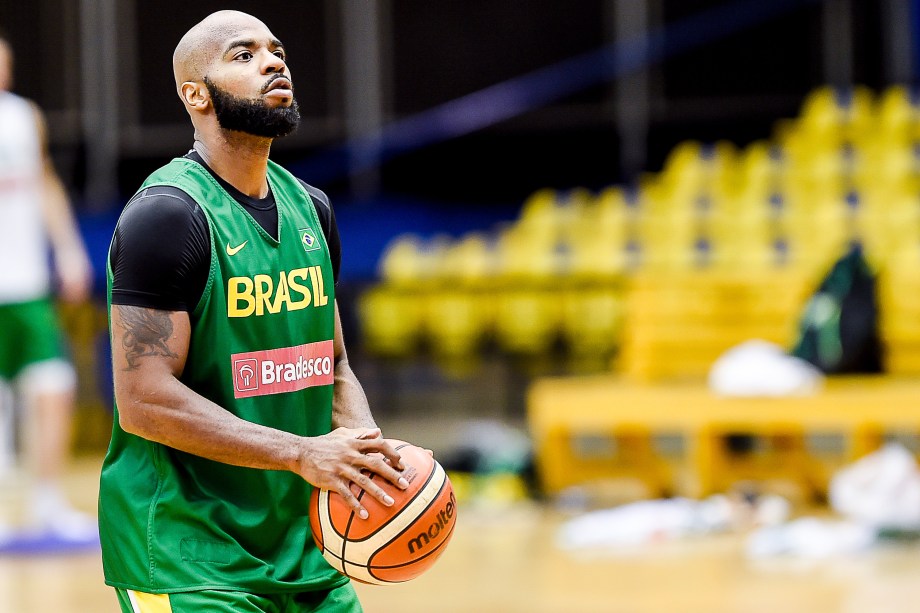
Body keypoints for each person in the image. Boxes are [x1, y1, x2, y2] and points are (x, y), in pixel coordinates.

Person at [99, 10, 409, 612]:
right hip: (190, 555)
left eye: (277, 51)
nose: (273, 62)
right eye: (243, 55)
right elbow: (143, 401)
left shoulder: (312, 210)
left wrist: (365, 455)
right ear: (195, 94)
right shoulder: (166, 217)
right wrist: (303, 452)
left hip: (304, 547)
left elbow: (333, 361)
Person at [0, 31, 97, 540]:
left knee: (53, 387)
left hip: (27, 284)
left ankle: (47, 501)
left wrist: (68, 250)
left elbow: (44, 181)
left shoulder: (22, 116)